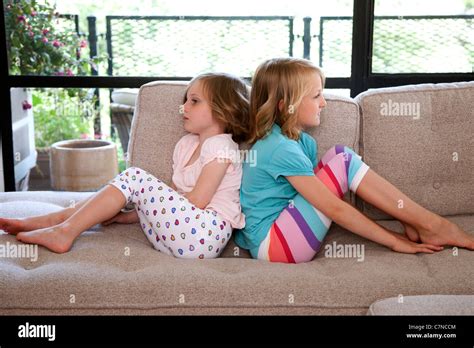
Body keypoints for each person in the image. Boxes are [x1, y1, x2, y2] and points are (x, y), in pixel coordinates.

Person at [234, 57, 474, 263]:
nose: (324, 103)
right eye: (316, 95)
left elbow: (321, 198)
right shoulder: (279, 148)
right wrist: (393, 241)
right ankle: (432, 225)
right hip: (275, 246)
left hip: (281, 234)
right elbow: (334, 207)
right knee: (342, 160)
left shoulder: (302, 142)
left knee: (338, 157)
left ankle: (416, 222)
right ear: (286, 106)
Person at [1, 72, 249, 259]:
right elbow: (173, 197)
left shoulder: (222, 146)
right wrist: (129, 216)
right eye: (186, 100)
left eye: (194, 101)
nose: (183, 107)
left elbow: (196, 201)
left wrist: (142, 197)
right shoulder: (185, 145)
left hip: (206, 235)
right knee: (133, 183)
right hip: (173, 237)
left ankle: (64, 230)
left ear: (224, 111)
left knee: (136, 177)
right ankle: (54, 220)